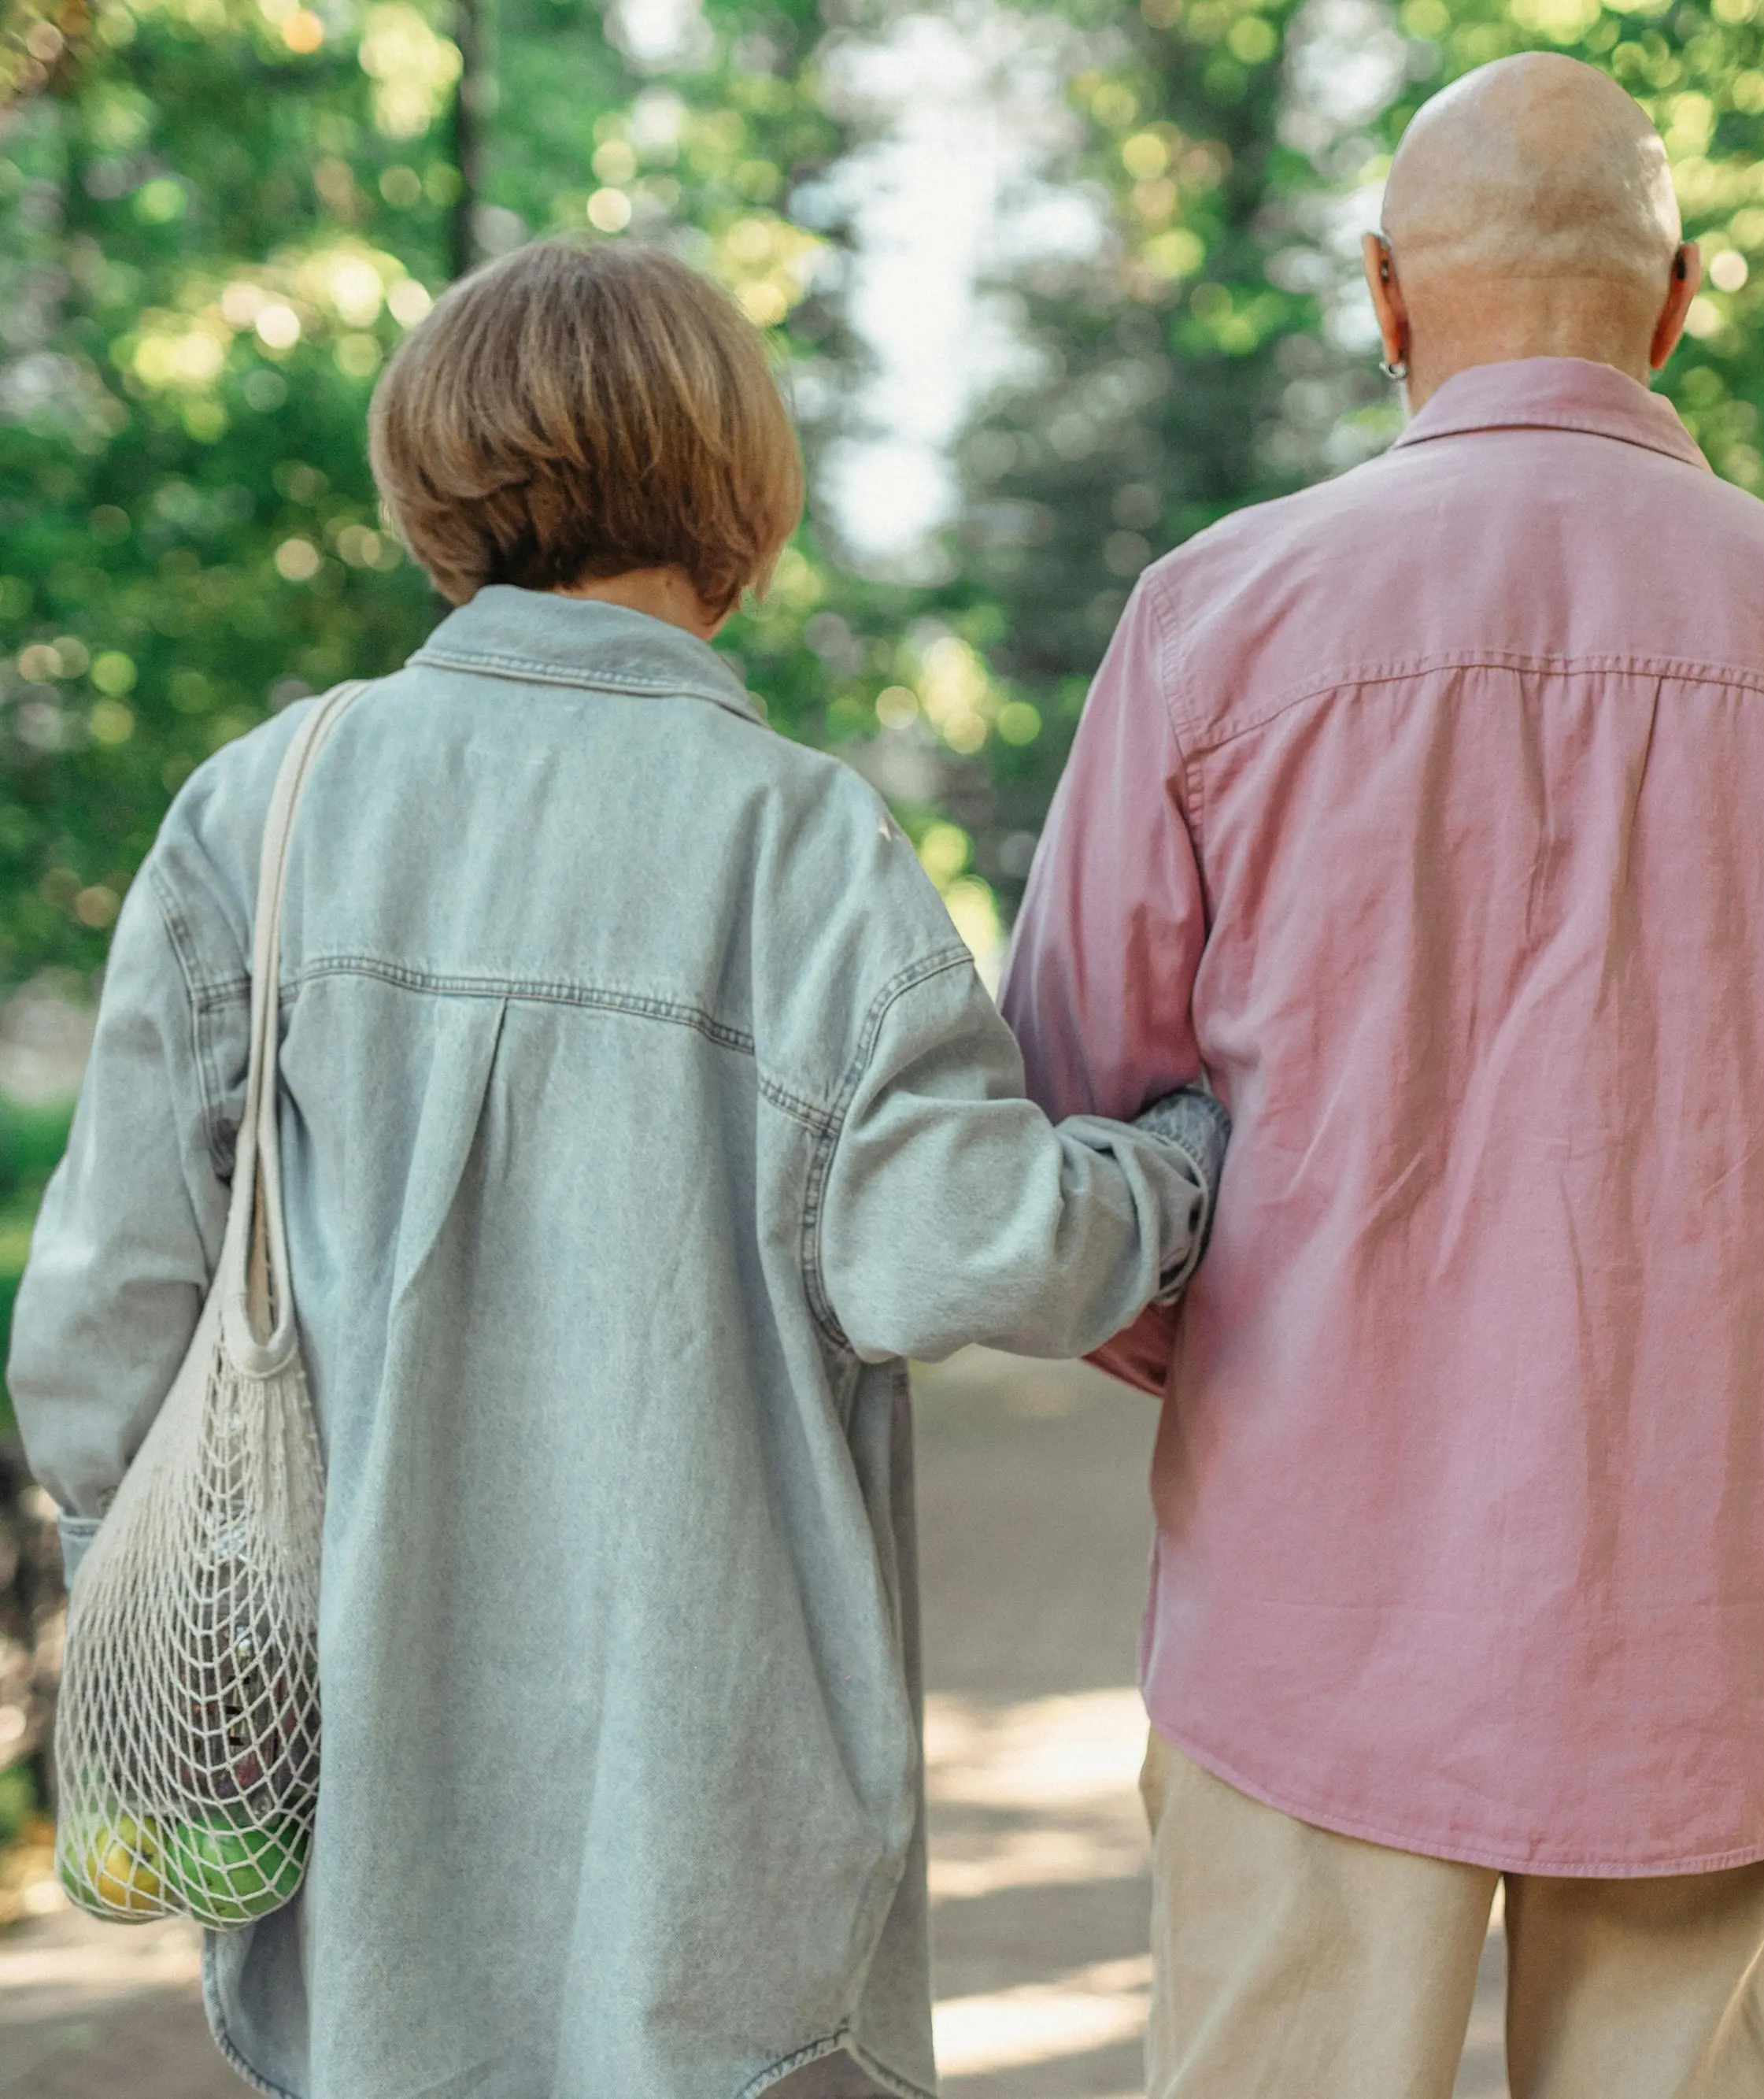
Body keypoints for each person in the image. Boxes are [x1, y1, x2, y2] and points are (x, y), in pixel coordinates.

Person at [9, 239, 1226, 2099]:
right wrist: (1184, 1162)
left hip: (352, 1788)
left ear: (430, 483)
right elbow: (960, 1249)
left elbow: (102, 1320)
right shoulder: (800, 844)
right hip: (708, 1802)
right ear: (738, 497)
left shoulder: (265, 808)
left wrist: (163, 1625)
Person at [1001, 50, 1764, 2099]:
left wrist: (1286, 1371)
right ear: (1679, 301)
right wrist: (1733, 1378)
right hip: (1731, 1614)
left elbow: (1077, 1144)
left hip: (1313, 1608)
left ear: (1385, 295)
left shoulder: (1213, 623)